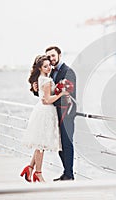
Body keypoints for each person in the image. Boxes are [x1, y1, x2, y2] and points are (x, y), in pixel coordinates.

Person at [21, 55, 69, 182]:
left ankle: (30, 168)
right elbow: (47, 100)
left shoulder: (41, 79)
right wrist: (61, 93)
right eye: (45, 66)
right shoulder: (46, 81)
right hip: (46, 112)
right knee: (41, 144)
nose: (49, 68)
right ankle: (38, 173)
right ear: (40, 68)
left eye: (49, 65)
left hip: (41, 110)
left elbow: (43, 97)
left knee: (39, 143)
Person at [33, 46, 77, 181]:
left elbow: (71, 93)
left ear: (59, 55)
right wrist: (36, 90)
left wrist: (62, 93)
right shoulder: (50, 72)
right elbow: (47, 92)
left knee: (67, 143)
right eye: (49, 56)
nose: (51, 59)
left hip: (66, 113)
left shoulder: (68, 71)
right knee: (59, 144)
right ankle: (66, 173)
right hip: (53, 113)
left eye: (53, 56)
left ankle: (69, 174)